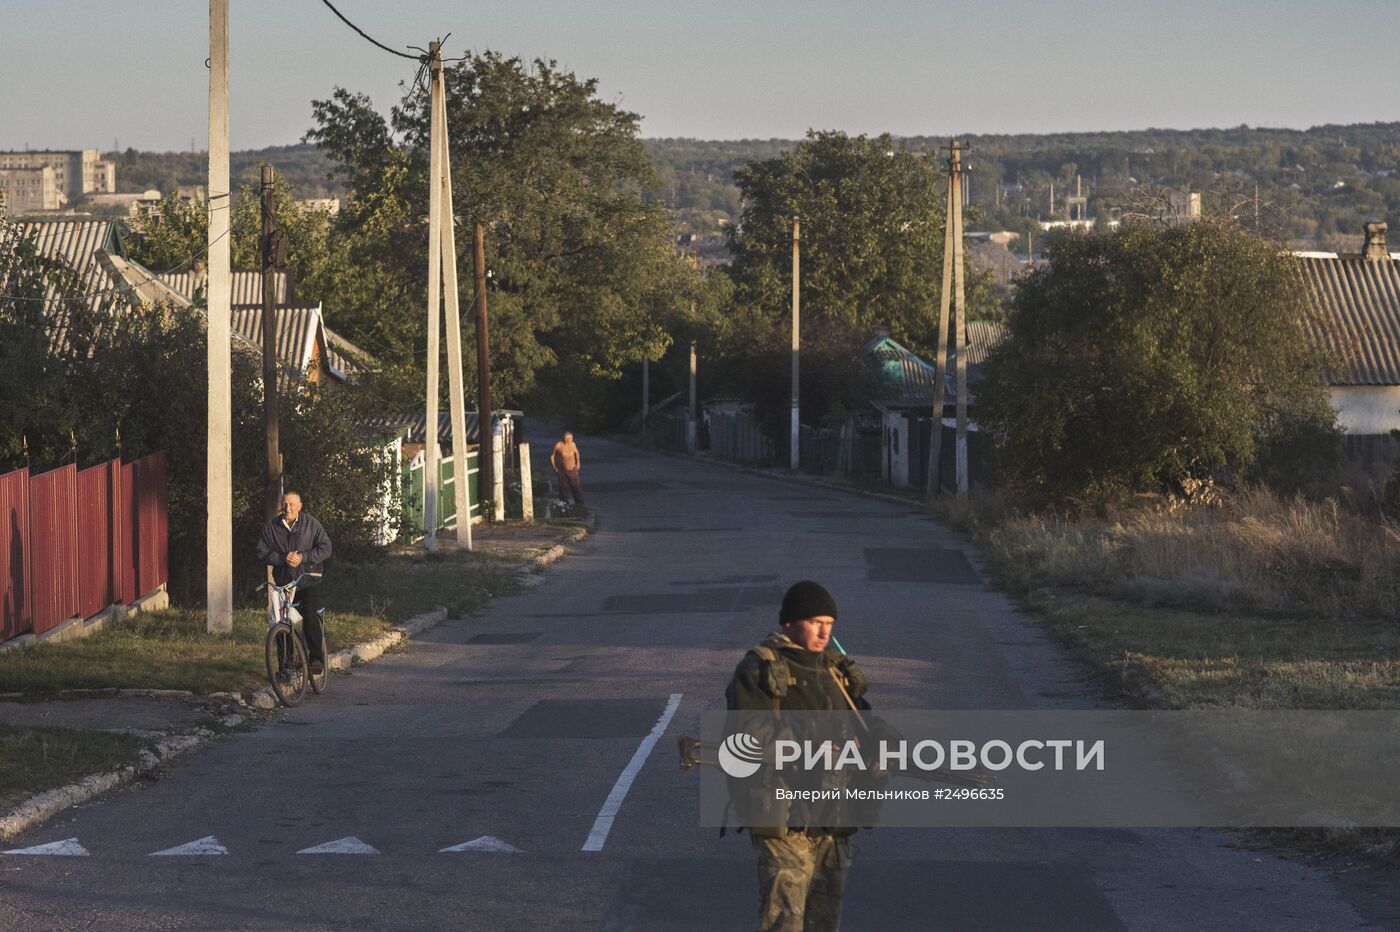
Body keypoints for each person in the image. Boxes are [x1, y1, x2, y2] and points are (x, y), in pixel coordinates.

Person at [726, 580, 872, 932]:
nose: (824, 631)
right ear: (789, 622)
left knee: (825, 922)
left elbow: (861, 723)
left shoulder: (835, 670)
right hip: (784, 816)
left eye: (829, 624)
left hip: (832, 819)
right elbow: (748, 735)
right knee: (784, 921)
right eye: (815, 622)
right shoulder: (760, 667)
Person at [256, 491, 332, 673]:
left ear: (299, 506)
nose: (287, 508)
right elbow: (261, 551)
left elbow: (326, 547)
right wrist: (282, 558)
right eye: (284, 504)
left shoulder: (311, 524)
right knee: (281, 622)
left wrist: (303, 557)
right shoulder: (271, 527)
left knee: (309, 613)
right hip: (285, 583)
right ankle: (285, 666)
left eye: (291, 504)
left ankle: (316, 660)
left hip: (308, 580)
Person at [550, 431, 584, 505]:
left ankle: (579, 503)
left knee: (576, 487)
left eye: (571, 438)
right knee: (563, 488)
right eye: (569, 439)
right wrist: (554, 467)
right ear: (565, 439)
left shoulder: (573, 444)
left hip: (572, 469)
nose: (571, 440)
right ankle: (564, 504)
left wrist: (578, 462)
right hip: (562, 470)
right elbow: (552, 456)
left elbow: (577, 453)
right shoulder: (558, 445)